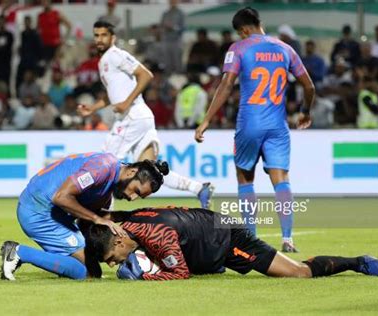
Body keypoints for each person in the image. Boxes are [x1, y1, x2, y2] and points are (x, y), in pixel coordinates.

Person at [194, 7, 315, 252]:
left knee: (245, 179)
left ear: (244, 30)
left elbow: (227, 85)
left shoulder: (239, 49)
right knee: (281, 180)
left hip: (249, 123)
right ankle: (288, 239)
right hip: (277, 126)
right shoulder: (286, 49)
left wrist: (207, 119)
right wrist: (305, 111)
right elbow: (309, 86)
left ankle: (251, 240)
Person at [78, 21, 214, 208]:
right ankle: (199, 188)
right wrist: (93, 108)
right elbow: (114, 95)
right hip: (141, 116)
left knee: (107, 164)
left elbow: (146, 75)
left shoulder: (116, 55)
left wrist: (127, 102)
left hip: (132, 116)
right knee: (150, 169)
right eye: (96, 35)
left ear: (113, 37)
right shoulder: (103, 62)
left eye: (103, 35)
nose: (99, 39)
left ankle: (100, 219)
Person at [86, 207, 378, 281]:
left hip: (227, 237)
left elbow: (179, 273)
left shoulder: (155, 235)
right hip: (206, 226)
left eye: (112, 256)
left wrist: (145, 277)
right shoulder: (127, 222)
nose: (113, 264)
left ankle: (357, 262)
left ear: (119, 238)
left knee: (297, 273)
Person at [0, 156, 169, 281]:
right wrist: (97, 219)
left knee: (91, 272)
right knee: (90, 273)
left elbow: (88, 216)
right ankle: (19, 252)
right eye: (136, 191)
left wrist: (138, 214)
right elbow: (61, 197)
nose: (132, 198)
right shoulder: (102, 168)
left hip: (53, 215)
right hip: (37, 211)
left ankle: (62, 266)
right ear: (132, 172)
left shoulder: (107, 187)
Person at [160, 0, 185, 74]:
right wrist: (165, 27)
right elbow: (161, 25)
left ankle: (179, 74)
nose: (172, 2)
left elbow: (183, 27)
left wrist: (173, 28)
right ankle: (167, 75)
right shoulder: (165, 14)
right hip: (166, 39)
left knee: (177, 59)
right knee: (167, 59)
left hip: (176, 40)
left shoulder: (181, 14)